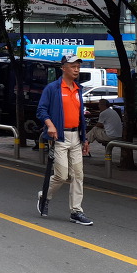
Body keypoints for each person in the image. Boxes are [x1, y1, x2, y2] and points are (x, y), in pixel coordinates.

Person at [36, 55, 92, 226]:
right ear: (63, 68)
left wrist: (84, 138)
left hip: (76, 137)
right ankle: (44, 196)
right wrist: (50, 125)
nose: (76, 70)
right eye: (73, 66)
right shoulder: (53, 88)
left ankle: (76, 211)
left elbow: (80, 117)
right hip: (59, 137)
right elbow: (41, 110)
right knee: (61, 175)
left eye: (78, 67)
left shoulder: (78, 89)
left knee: (78, 175)